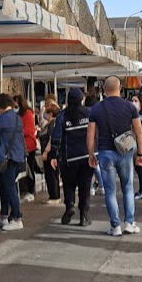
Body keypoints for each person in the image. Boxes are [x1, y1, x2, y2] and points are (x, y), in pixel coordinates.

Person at [87, 77, 142, 236]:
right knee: (128, 187)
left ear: (104, 89)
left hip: (105, 153)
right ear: (120, 88)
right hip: (125, 152)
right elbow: (139, 132)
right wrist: (140, 153)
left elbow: (90, 135)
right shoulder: (130, 107)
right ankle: (129, 222)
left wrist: (91, 154)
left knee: (110, 191)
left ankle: (115, 226)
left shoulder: (96, 109)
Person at [50, 89, 95, 226]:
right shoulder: (89, 114)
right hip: (86, 156)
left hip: (68, 158)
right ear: (81, 100)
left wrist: (54, 155)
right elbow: (95, 134)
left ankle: (70, 206)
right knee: (84, 186)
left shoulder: (62, 116)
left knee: (69, 185)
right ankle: (84, 216)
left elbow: (56, 137)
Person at [0, 93, 26, 231]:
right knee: (6, 186)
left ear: (0, 106)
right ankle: (4, 216)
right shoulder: (17, 118)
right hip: (18, 157)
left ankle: (17, 218)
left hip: (7, 158)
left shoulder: (3, 119)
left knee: (9, 188)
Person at [14, 95, 39, 202]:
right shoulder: (21, 114)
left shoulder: (27, 114)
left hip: (29, 145)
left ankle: (31, 190)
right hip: (23, 145)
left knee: (30, 168)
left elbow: (29, 130)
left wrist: (17, 131)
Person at [40, 102, 61, 204]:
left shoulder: (52, 125)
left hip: (50, 153)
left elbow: (51, 139)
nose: (45, 116)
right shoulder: (52, 124)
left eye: (47, 114)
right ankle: (53, 195)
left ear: (51, 114)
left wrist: (45, 152)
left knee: (51, 175)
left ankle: (54, 196)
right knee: (51, 174)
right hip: (51, 153)